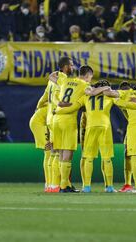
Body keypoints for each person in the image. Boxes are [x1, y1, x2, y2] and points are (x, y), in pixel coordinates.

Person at [52, 59, 91, 193]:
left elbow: (51, 77)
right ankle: (63, 186)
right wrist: (80, 102)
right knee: (67, 154)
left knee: (61, 152)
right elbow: (91, 92)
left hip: (56, 118)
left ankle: (64, 184)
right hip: (69, 120)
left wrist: (58, 104)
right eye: (90, 78)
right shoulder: (82, 84)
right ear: (87, 76)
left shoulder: (64, 80)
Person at [29, 82, 50, 192]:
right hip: (39, 124)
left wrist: (37, 107)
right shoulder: (56, 103)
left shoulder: (51, 99)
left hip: (40, 122)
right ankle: (49, 183)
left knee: (49, 152)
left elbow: (42, 100)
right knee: (49, 151)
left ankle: (50, 183)